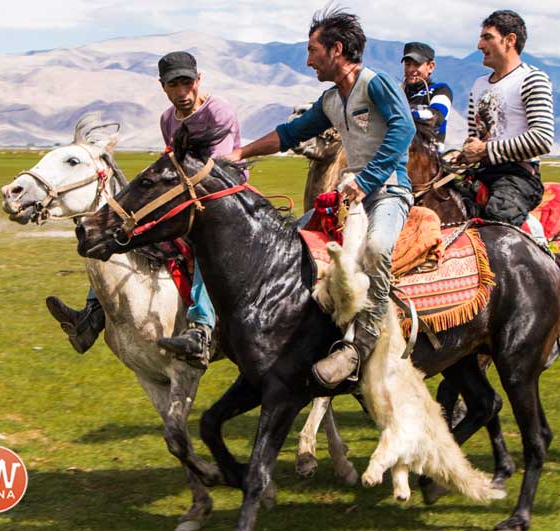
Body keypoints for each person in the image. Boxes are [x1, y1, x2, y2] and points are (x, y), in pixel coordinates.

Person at [225, 7, 415, 388]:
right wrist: (241, 153)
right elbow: (290, 133)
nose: (308, 59)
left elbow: (404, 127)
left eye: (313, 50)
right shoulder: (331, 100)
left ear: (337, 50)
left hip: (389, 190)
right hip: (352, 196)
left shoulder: (375, 84)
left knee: (376, 249)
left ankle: (361, 345)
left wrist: (368, 178)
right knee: (295, 243)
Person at [47, 51, 244, 363]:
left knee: (208, 245)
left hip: (222, 197)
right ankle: (91, 317)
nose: (182, 92)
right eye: (173, 85)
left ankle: (202, 327)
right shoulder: (168, 119)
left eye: (186, 83)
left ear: (198, 80)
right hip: (182, 195)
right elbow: (173, 162)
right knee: (121, 231)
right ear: (162, 86)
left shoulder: (218, 111)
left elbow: (216, 169)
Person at [460, 10, 554, 227]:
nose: (479, 45)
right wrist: (464, 154)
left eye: (487, 37)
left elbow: (542, 139)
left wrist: (485, 150)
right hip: (481, 173)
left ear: (510, 40)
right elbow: (475, 138)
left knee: (496, 223)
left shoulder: (532, 79)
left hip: (518, 176)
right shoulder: (478, 85)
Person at [401, 42, 452, 151]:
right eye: (407, 64)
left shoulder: (441, 89)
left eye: (416, 64)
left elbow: (436, 116)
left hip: (429, 156)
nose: (411, 70)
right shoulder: (398, 92)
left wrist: (401, 116)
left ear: (431, 66)